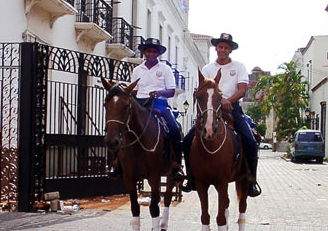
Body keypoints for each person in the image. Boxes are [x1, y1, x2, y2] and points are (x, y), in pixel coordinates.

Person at [181, 33, 261, 197]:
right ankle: (191, 177)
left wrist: (227, 101)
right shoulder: (207, 69)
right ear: (216, 48)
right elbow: (204, 90)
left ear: (230, 50)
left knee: (250, 141)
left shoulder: (239, 67)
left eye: (226, 47)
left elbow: (242, 90)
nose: (222, 50)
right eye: (220, 47)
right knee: (188, 139)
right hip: (210, 110)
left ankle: (251, 179)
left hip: (232, 109)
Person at [106, 38, 185, 181]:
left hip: (159, 104)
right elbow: (134, 91)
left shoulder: (165, 69)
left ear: (159, 53)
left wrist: (159, 93)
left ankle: (176, 165)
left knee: (174, 128)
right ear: (144, 52)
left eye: (155, 51)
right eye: (148, 51)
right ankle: (115, 163)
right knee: (119, 125)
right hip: (140, 103)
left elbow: (171, 91)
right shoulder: (137, 70)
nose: (151, 54)